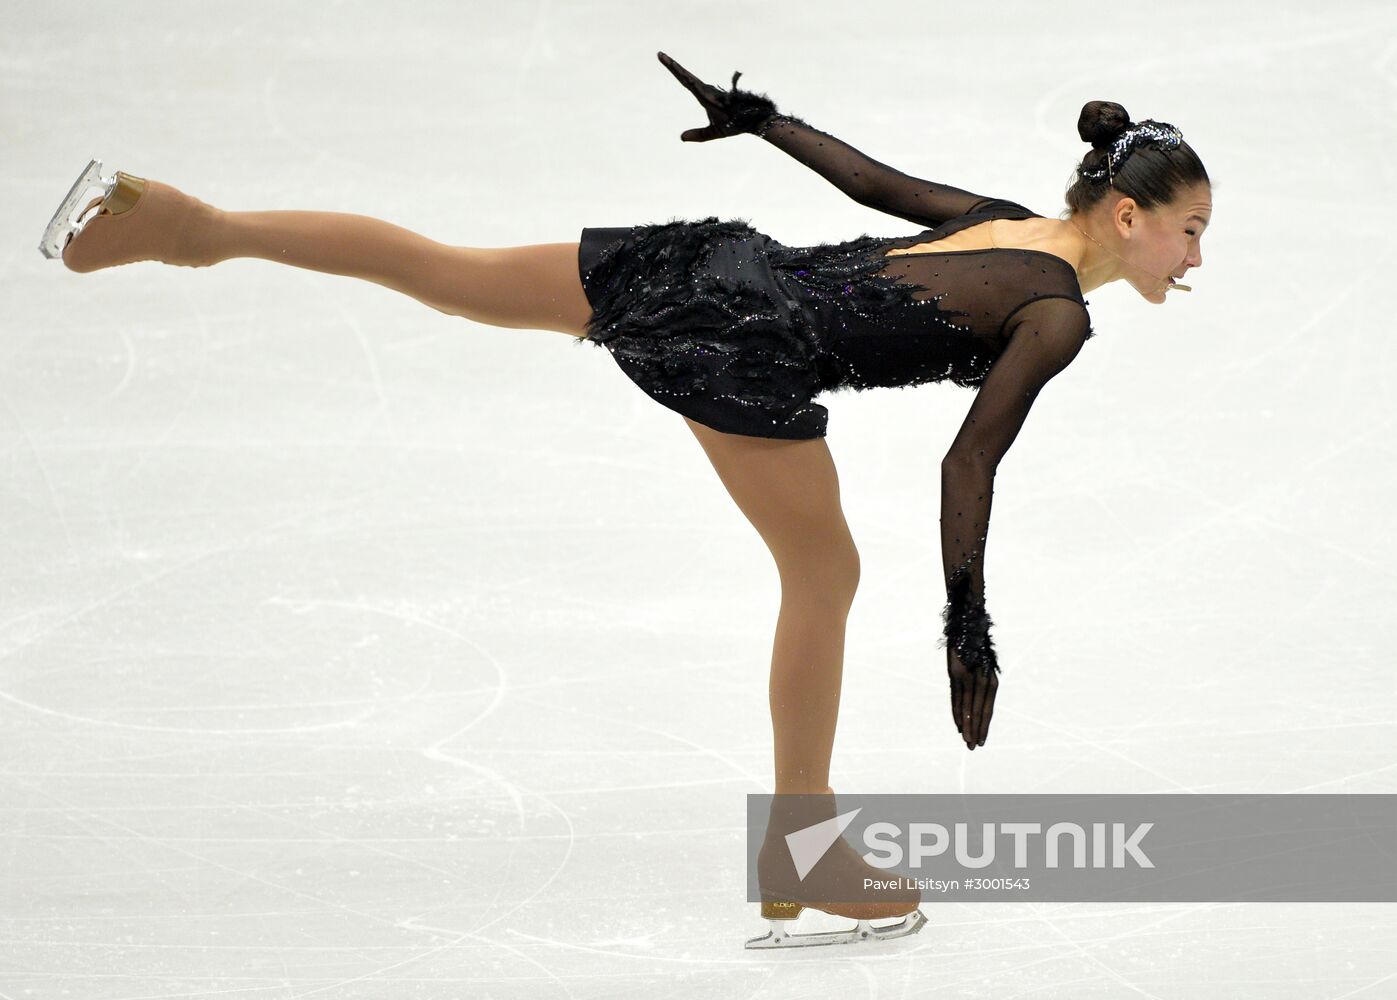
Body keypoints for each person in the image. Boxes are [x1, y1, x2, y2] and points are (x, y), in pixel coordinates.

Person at [39, 51, 1211, 948]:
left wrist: (763, 120)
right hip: (750, 342)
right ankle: (804, 850)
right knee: (824, 575)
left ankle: (187, 225)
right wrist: (968, 619)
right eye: (1188, 232)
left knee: (446, 271)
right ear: (1126, 216)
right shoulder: (1055, 314)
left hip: (707, 262)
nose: (1193, 259)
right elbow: (966, 465)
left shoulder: (1002, 217)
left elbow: (871, 180)